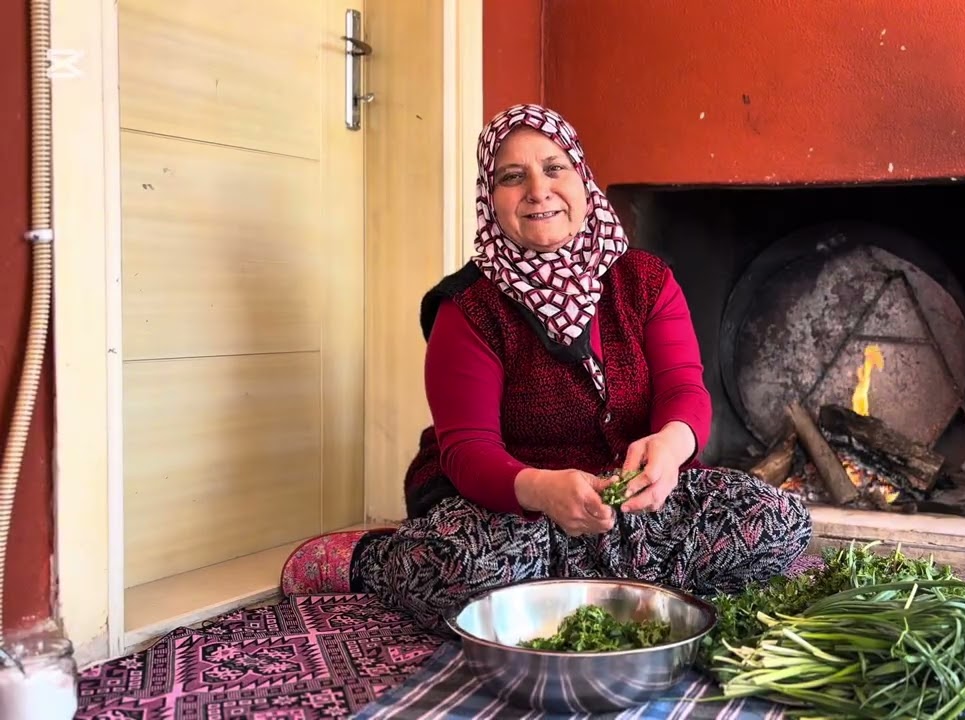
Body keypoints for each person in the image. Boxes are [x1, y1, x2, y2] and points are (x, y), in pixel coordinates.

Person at [280, 104, 812, 629]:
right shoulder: (468, 307)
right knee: (467, 569)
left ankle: (563, 584)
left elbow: (684, 390)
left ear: (582, 180)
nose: (538, 190)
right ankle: (377, 560)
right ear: (491, 200)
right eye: (513, 177)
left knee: (777, 522)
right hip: (510, 507)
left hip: (628, 506)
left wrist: (672, 447)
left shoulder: (645, 281)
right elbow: (468, 451)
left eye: (554, 168)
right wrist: (542, 490)